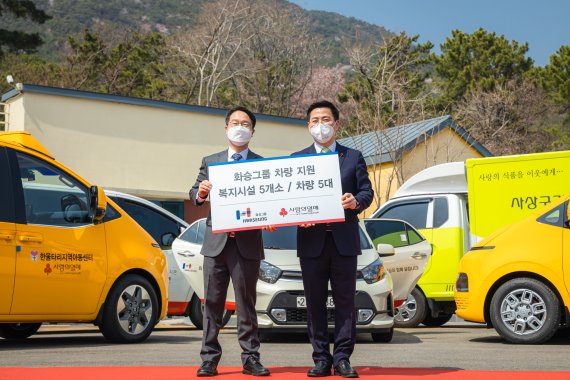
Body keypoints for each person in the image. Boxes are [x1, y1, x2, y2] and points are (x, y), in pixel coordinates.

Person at [292, 100, 373, 378]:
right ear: (308, 126)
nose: (320, 125)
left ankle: (342, 358)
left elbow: (367, 193)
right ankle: (320, 358)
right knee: (314, 302)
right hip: (311, 242)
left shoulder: (353, 157)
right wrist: (296, 215)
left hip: (343, 241)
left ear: (336, 125)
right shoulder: (296, 159)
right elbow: (289, 201)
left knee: (345, 302)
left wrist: (355, 202)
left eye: (325, 119)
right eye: (314, 120)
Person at [190, 106, 270, 377]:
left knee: (246, 304)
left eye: (245, 123)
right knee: (212, 303)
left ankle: (250, 358)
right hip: (216, 244)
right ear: (226, 128)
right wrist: (200, 193)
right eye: (235, 122)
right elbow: (194, 193)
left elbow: (269, 203)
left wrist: (270, 218)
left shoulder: (262, 165)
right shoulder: (211, 161)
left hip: (247, 245)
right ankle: (209, 359)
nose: (240, 127)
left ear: (253, 131)